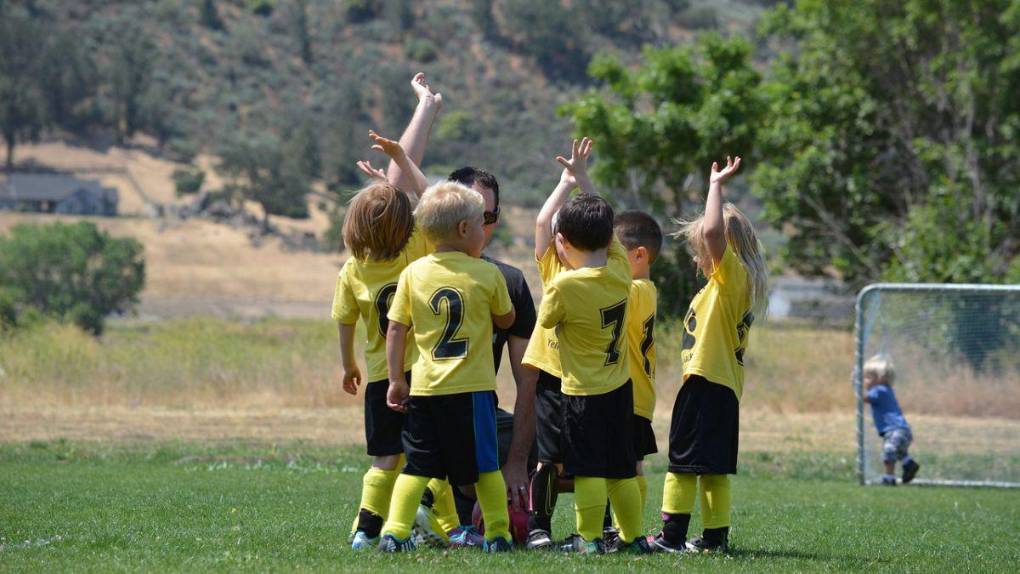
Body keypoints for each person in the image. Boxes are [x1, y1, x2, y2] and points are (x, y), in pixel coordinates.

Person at [334, 127, 463, 550]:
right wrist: (406, 163)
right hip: (422, 373)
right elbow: (435, 201)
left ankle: (365, 531)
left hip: (378, 376)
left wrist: (348, 364)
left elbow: (344, 319)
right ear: (408, 224)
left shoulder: (354, 269)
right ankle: (421, 512)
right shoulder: (417, 248)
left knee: (385, 456)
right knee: (431, 453)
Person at [378, 181, 516, 553]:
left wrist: (395, 379)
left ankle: (394, 532)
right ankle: (498, 534)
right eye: (481, 221)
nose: (485, 228)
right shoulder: (487, 274)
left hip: (425, 390)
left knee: (417, 467)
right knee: (485, 466)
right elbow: (507, 319)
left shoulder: (414, 274)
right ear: (464, 230)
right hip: (472, 391)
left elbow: (395, 328)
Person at [532, 138, 651, 555]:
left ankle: (587, 540)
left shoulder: (563, 285)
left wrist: (561, 258)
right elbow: (608, 224)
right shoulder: (621, 271)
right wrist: (583, 178)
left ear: (562, 241)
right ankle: (634, 538)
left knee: (587, 471)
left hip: (582, 394)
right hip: (620, 390)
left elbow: (545, 322)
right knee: (621, 468)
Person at [650, 156, 768, 554]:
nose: (699, 255)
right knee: (713, 468)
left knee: (681, 464)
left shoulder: (731, 277)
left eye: (700, 247)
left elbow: (716, 231)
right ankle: (715, 540)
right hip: (722, 388)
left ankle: (670, 538)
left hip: (706, 384)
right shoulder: (725, 287)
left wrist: (714, 185)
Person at [613, 210, 663, 517]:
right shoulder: (642, 289)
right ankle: (622, 529)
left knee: (630, 467)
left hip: (631, 397)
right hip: (634, 395)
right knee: (627, 465)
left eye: (615, 255)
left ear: (639, 255)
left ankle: (627, 531)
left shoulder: (637, 290)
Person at [862, 355, 920, 486]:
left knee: (889, 451)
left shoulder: (879, 390)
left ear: (881, 379)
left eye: (868, 377)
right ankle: (908, 464)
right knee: (898, 452)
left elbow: (865, 398)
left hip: (895, 430)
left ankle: (889, 478)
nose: (864, 381)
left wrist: (855, 385)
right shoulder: (886, 390)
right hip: (901, 430)